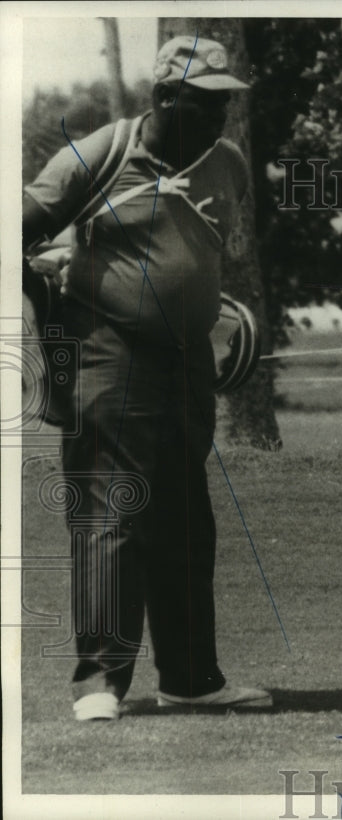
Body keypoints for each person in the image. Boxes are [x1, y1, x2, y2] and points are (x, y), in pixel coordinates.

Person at [22, 35, 271, 721]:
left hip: (187, 363)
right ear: (165, 97)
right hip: (107, 352)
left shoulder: (229, 163)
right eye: (205, 101)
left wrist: (218, 312)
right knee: (112, 513)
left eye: (227, 102)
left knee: (187, 521)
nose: (220, 115)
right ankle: (100, 683)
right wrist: (50, 317)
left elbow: (204, 252)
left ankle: (191, 680)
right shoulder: (101, 151)